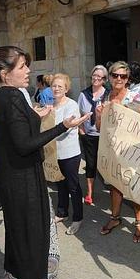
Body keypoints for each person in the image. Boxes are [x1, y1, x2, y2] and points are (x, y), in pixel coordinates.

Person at [0, 46, 90, 279]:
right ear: (4, 73)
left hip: (15, 178)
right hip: (22, 181)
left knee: (19, 236)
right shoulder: (11, 97)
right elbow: (23, 145)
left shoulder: (3, 95)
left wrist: (35, 116)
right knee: (30, 236)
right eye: (22, 66)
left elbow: (17, 133)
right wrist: (62, 127)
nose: (28, 71)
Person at [95, 61, 140, 243]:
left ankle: (139, 221)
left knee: (133, 186)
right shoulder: (105, 97)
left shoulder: (134, 97)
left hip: (131, 150)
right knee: (114, 185)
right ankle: (115, 217)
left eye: (123, 76)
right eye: (115, 75)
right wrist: (100, 115)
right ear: (109, 78)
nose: (118, 79)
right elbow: (99, 127)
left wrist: (122, 111)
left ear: (127, 79)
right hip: (112, 150)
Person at [51, 73, 84, 235]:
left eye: (60, 86)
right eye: (54, 86)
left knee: (73, 186)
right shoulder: (51, 106)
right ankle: (62, 212)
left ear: (66, 89)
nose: (56, 88)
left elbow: (65, 129)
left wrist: (47, 135)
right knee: (60, 184)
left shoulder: (71, 105)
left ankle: (78, 218)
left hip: (70, 153)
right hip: (55, 153)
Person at [77, 65, 109, 206]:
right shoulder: (83, 94)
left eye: (99, 77)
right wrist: (82, 133)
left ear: (104, 80)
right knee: (90, 164)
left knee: (106, 164)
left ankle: (112, 191)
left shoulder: (108, 94)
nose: (96, 78)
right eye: (94, 75)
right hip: (88, 136)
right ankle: (90, 193)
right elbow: (78, 115)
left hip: (105, 137)